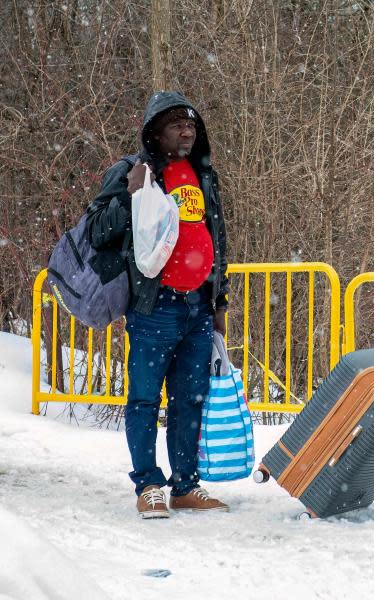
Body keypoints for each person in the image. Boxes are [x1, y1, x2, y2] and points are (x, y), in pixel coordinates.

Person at [86, 91, 231, 518]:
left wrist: (220, 300)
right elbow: (97, 229)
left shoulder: (204, 174)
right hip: (155, 307)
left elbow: (218, 239)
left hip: (198, 308)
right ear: (155, 132)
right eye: (176, 125)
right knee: (145, 399)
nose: (186, 131)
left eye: (191, 124)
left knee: (190, 399)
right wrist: (128, 198)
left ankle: (185, 485)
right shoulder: (134, 170)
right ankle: (148, 484)